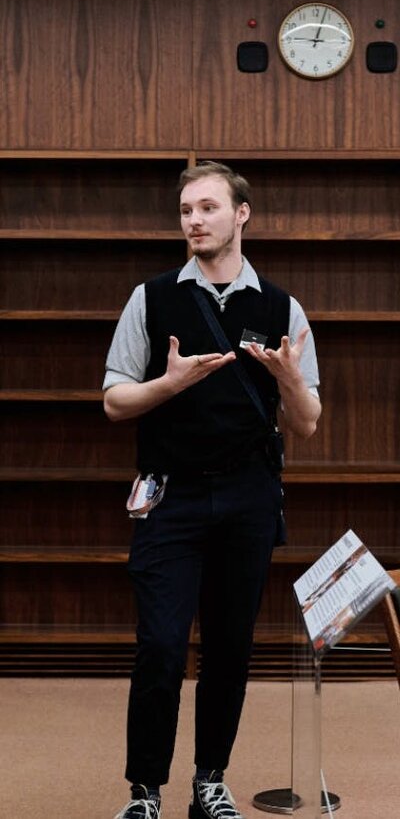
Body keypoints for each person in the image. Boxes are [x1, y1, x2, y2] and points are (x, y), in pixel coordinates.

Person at [103, 161, 321, 819]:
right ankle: (145, 791)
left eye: (207, 208)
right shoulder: (152, 297)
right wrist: (169, 383)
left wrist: (286, 377)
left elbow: (307, 422)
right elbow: (115, 401)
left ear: (241, 214)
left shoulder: (282, 307)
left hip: (249, 499)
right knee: (162, 645)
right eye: (186, 211)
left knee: (230, 646)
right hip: (170, 497)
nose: (194, 220)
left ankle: (210, 781)